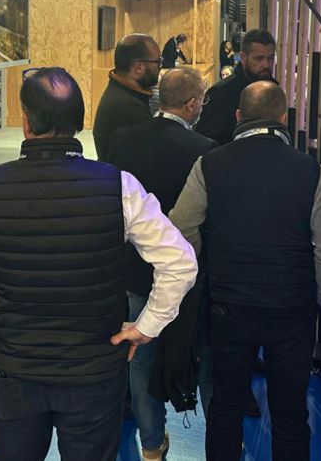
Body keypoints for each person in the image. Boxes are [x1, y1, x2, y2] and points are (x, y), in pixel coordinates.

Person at [0, 67, 198, 461]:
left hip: (16, 368)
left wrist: (4, 280)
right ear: (80, 121)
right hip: (94, 370)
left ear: (26, 122)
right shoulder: (119, 186)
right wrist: (147, 326)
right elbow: (180, 262)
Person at [169, 80, 321, 460]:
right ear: (283, 118)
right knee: (290, 413)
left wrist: (207, 271)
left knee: (225, 407)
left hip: (229, 306)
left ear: (238, 116)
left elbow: (181, 227)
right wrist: (317, 297)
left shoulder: (209, 165)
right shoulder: (310, 171)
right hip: (292, 308)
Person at [104, 67, 217, 459]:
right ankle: (221, 444)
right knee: (203, 356)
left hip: (134, 270)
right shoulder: (205, 149)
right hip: (189, 275)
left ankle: (151, 445)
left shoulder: (121, 140)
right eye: (202, 99)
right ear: (192, 103)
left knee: (139, 359)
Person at [196, 29, 277, 146]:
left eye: (270, 58)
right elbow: (206, 142)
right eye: (259, 58)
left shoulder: (274, 90)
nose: (266, 65)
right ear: (243, 58)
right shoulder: (220, 93)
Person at [93, 33, 162, 159]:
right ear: (138, 68)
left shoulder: (123, 92)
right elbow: (156, 153)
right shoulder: (128, 107)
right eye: (158, 62)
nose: (160, 68)